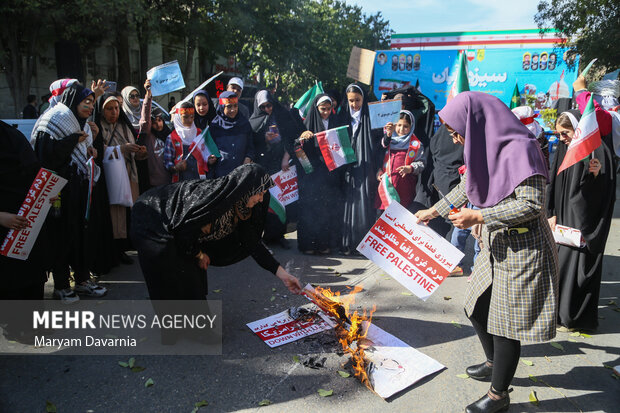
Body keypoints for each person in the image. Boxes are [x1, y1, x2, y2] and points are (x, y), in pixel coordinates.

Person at [415, 91, 558, 413]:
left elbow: (532, 204)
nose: (455, 140)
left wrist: (479, 216)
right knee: (476, 306)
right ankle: (494, 363)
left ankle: (498, 396)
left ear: (477, 123)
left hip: (524, 250)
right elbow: (468, 186)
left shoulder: (523, 149)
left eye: (457, 132)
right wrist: (434, 211)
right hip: (495, 245)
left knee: (505, 325)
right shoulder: (484, 148)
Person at [130, 163, 302, 301]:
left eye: (264, 194)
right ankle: (176, 331)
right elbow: (184, 230)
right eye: (259, 194)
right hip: (153, 218)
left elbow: (252, 243)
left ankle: (193, 325)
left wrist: (284, 276)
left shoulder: (242, 207)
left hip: (183, 235)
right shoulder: (214, 202)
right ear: (246, 190)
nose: (261, 199)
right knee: (170, 274)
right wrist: (199, 254)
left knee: (192, 278)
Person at [32, 83, 107, 301]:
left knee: (82, 236)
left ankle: (82, 281)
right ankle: (62, 286)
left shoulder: (82, 124)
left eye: (92, 102)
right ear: (73, 101)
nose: (90, 105)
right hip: (60, 194)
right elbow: (45, 155)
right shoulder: (55, 119)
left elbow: (85, 153)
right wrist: (72, 140)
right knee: (62, 237)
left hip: (81, 189)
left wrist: (90, 150)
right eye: (86, 100)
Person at [546, 109, 615, 331]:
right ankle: (558, 314)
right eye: (558, 134)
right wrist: (551, 212)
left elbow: (603, 193)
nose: (561, 138)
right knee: (560, 268)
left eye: (565, 133)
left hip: (583, 223)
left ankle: (574, 318)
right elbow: (553, 182)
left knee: (577, 270)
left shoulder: (598, 150)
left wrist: (595, 176)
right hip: (562, 222)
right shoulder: (564, 149)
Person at [95, 92, 147, 264]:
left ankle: (127, 246)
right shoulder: (98, 128)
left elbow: (136, 156)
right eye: (109, 109)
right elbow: (98, 151)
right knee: (114, 212)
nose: (114, 112)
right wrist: (121, 149)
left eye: (116, 108)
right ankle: (115, 249)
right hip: (110, 177)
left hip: (130, 174)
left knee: (130, 210)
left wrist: (140, 153)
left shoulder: (125, 126)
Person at [0, 120, 47, 301]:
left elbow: (34, 173)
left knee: (31, 283)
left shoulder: (11, 136)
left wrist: (46, 194)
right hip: (5, 231)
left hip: (27, 228)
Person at [294, 94, 344, 254]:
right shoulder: (307, 124)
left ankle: (324, 244)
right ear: (316, 109)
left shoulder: (335, 123)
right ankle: (308, 245)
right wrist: (302, 138)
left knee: (326, 209)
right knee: (310, 209)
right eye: (323, 109)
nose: (326, 113)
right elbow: (296, 147)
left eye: (329, 109)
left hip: (330, 175)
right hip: (312, 175)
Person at [249, 89, 299, 248]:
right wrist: (264, 138)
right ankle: (265, 237)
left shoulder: (282, 115)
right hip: (262, 165)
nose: (267, 110)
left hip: (280, 164)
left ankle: (279, 235)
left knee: (281, 199)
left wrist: (286, 156)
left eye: (269, 106)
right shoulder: (254, 121)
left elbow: (292, 137)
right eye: (262, 107)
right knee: (264, 202)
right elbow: (251, 143)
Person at [339, 84, 382, 254]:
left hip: (366, 168)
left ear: (363, 99)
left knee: (364, 204)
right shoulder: (342, 117)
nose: (355, 104)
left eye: (358, 100)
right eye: (351, 100)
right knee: (347, 204)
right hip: (347, 169)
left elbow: (379, 144)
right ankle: (347, 242)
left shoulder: (371, 118)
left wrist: (386, 136)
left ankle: (362, 244)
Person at [375, 110, 424, 211]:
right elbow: (378, 157)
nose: (401, 129)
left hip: (405, 188)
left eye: (405, 126)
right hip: (386, 186)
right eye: (398, 125)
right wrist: (378, 170)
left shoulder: (415, 144)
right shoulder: (387, 141)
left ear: (412, 127)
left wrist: (410, 168)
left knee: (401, 216)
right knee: (384, 216)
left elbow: (422, 163)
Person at [208, 91, 254, 178]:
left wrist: (248, 157)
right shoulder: (215, 126)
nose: (233, 110)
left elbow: (250, 146)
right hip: (221, 174)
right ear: (222, 107)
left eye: (235, 106)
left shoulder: (244, 124)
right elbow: (209, 150)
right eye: (229, 106)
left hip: (241, 173)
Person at [164, 102, 211, 182]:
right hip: (180, 182)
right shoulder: (172, 138)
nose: (189, 120)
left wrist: (210, 159)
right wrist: (176, 168)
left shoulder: (200, 134)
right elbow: (167, 162)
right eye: (185, 117)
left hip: (199, 180)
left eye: (192, 117)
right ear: (178, 117)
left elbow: (207, 154)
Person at [139, 79, 171, 188]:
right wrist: (148, 97)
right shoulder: (149, 135)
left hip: (170, 180)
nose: (158, 124)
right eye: (154, 122)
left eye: (160, 120)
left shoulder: (170, 135)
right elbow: (145, 120)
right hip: (154, 183)